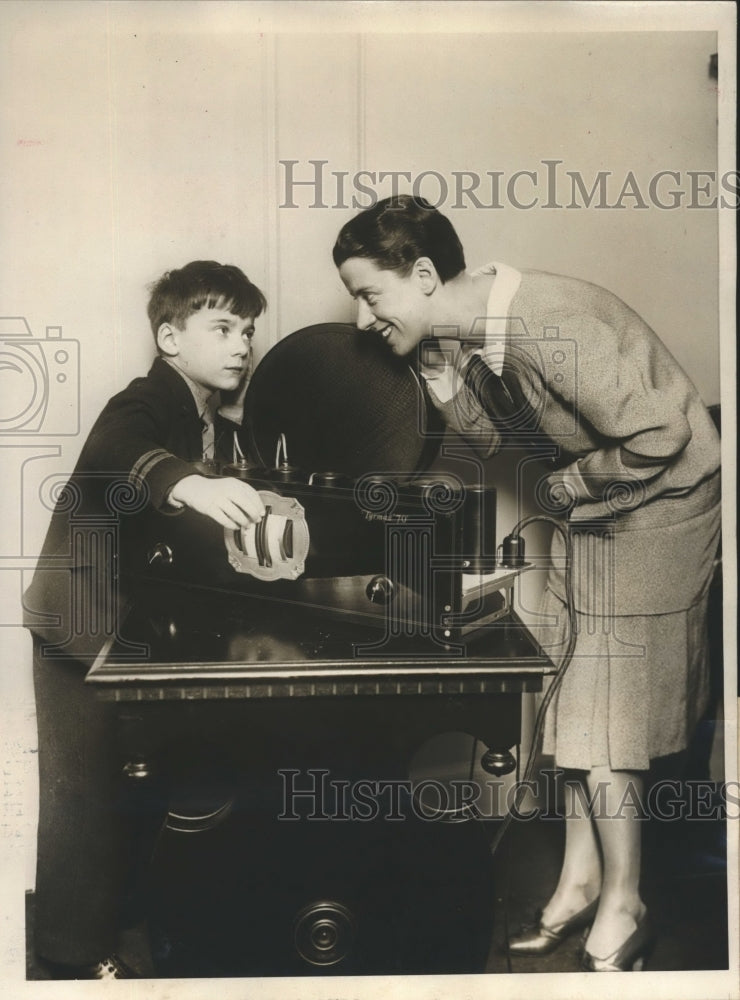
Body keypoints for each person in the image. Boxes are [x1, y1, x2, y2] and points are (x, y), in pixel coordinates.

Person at [332, 195, 721, 972]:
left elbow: (663, 432)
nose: (364, 317)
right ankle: (581, 881)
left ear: (424, 274)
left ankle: (626, 901)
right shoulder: (464, 334)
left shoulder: (554, 322)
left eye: (371, 295)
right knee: (573, 698)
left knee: (610, 714)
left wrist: (571, 488)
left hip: (663, 507)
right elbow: (501, 441)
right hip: (603, 502)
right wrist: (440, 381)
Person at [23, 261, 267, 978]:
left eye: (248, 331)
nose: (242, 345)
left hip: (121, 628)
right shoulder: (143, 401)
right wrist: (187, 479)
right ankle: (71, 961)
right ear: (168, 337)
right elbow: (113, 451)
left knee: (134, 790)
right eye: (222, 328)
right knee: (84, 801)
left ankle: (123, 933)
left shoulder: (203, 416)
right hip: (79, 626)